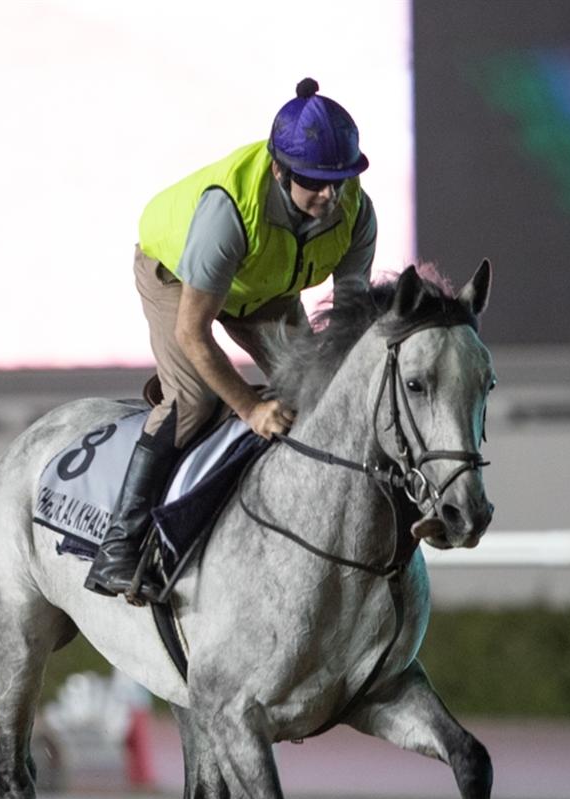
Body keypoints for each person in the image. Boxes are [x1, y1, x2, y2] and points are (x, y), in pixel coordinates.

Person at [85, 77, 379, 599]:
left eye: (340, 180)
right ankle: (119, 545)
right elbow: (193, 332)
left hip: (260, 288)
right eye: (315, 181)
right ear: (279, 169)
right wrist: (249, 408)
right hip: (178, 278)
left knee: (319, 388)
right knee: (196, 400)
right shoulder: (227, 213)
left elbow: (348, 319)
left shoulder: (356, 213)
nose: (331, 196)